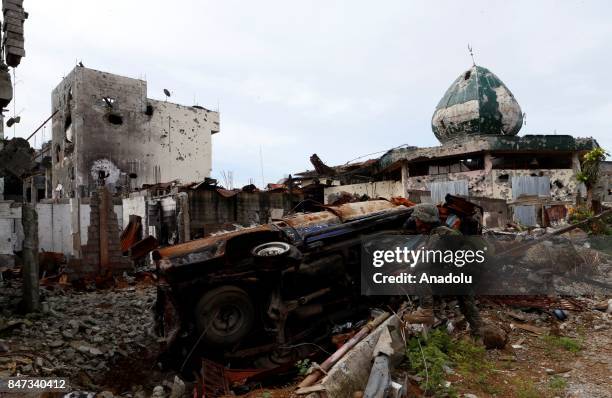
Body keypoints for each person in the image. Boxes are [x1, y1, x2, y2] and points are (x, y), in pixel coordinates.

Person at [404, 203, 483, 336]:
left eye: (417, 219)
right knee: (467, 305)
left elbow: (428, 262)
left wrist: (409, 268)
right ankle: (479, 335)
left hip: (459, 274)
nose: (415, 222)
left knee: (419, 271)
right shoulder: (445, 230)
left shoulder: (438, 235)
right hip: (468, 273)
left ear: (423, 220)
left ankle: (426, 311)